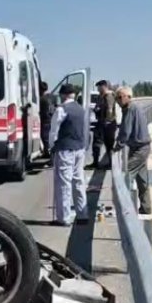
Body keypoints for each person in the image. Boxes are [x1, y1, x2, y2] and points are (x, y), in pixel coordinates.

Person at [49, 83, 89, 226]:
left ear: (63, 95)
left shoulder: (61, 109)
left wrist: (51, 147)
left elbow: (54, 131)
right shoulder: (81, 109)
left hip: (65, 149)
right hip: (79, 148)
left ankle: (64, 218)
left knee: (64, 184)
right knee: (78, 181)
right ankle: (82, 214)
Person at [113, 85, 152, 215]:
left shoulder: (130, 109)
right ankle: (146, 208)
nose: (118, 101)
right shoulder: (134, 108)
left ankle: (126, 208)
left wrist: (118, 146)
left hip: (140, 148)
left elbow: (125, 130)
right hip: (140, 147)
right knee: (142, 180)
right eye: (117, 98)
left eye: (120, 97)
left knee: (126, 176)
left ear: (128, 97)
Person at [90, 80, 121, 169]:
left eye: (99, 87)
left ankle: (111, 164)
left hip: (108, 124)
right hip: (101, 123)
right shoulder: (101, 96)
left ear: (104, 86)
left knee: (109, 145)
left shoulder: (109, 96)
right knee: (97, 143)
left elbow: (110, 109)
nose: (98, 89)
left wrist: (107, 121)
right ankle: (96, 162)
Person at [38, 81, 56, 160]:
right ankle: (46, 153)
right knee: (47, 138)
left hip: (45, 121)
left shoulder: (41, 99)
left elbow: (42, 112)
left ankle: (49, 154)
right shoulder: (50, 98)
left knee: (45, 138)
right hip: (50, 119)